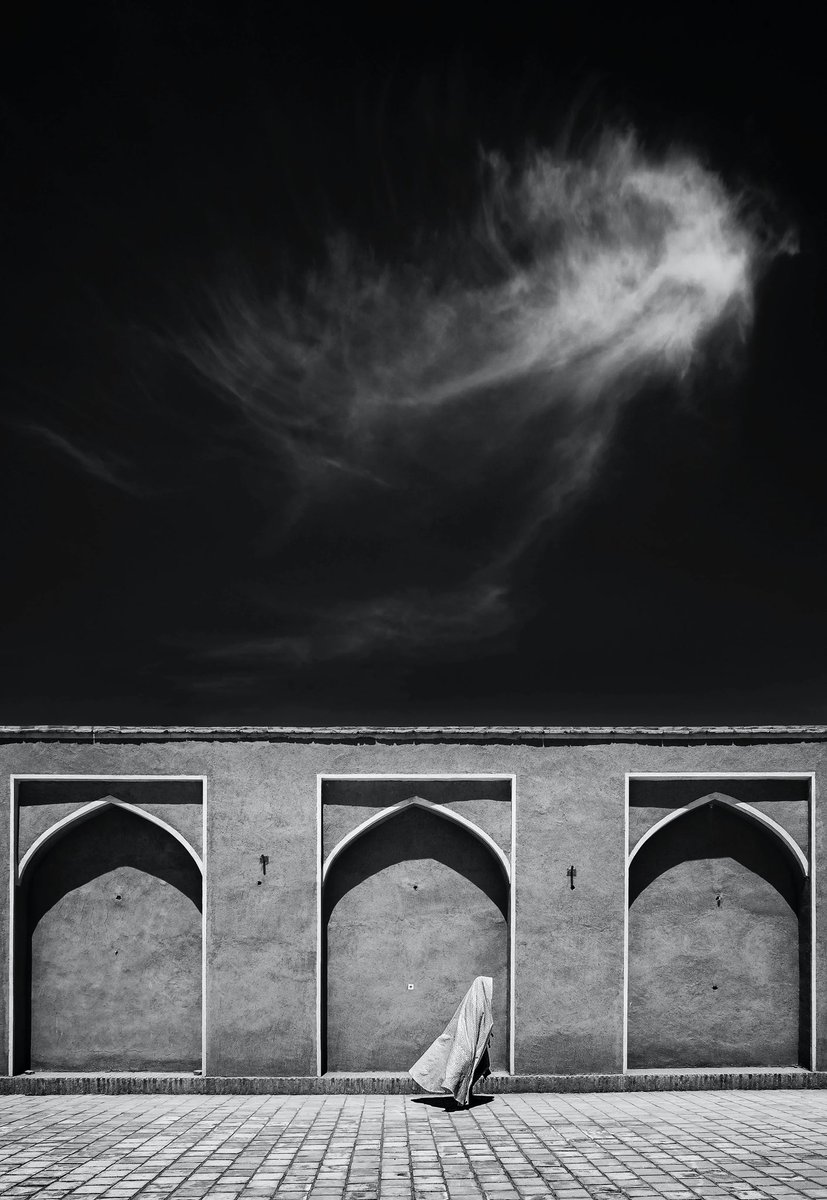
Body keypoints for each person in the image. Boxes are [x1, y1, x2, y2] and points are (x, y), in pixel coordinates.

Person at [408, 976, 493, 1107]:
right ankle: (462, 1095)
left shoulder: (480, 1001)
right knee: (466, 1069)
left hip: (477, 1043)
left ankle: (466, 1093)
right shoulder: (475, 1002)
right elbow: (472, 1023)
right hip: (469, 1041)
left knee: (481, 1067)